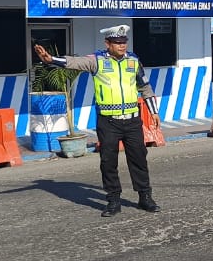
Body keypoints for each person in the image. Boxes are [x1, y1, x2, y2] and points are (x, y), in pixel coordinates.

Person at [34, 24, 159, 217]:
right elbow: (76, 62)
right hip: (108, 122)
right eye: (117, 42)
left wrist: (154, 111)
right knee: (108, 161)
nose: (122, 45)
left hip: (133, 121)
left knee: (139, 160)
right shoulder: (97, 61)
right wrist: (52, 60)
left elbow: (145, 87)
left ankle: (145, 197)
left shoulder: (133, 61)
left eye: (124, 42)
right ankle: (113, 201)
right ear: (107, 43)